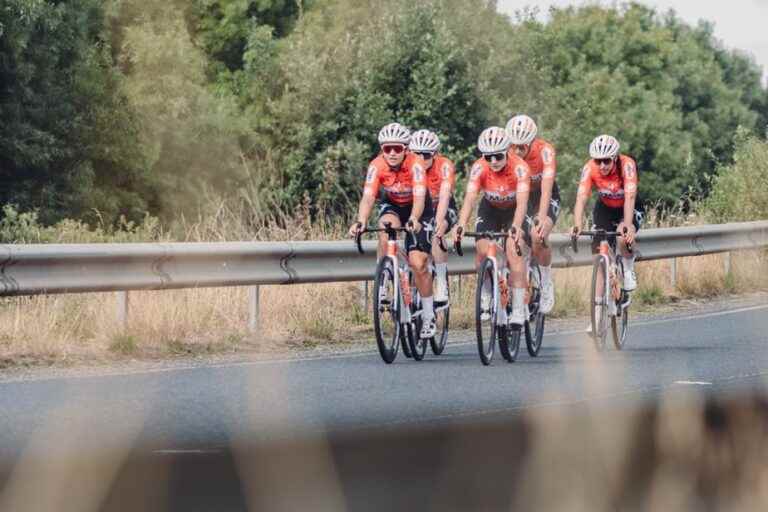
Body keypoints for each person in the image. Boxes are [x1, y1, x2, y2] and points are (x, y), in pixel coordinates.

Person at [348, 123, 438, 338]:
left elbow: (418, 197)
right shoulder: (376, 165)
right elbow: (369, 197)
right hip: (393, 204)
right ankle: (385, 276)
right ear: (382, 149)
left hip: (418, 207)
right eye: (388, 149)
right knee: (385, 228)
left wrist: (415, 218)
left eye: (397, 148)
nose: (393, 153)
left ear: (406, 149)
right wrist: (360, 220)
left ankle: (428, 315)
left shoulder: (415, 165)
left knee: (418, 263)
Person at [451, 127, 531, 326]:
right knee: (482, 251)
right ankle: (487, 293)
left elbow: (522, 204)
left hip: (515, 210)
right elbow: (470, 199)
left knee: (514, 250)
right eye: (488, 157)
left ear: (507, 152)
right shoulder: (479, 168)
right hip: (490, 209)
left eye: (498, 156)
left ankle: (519, 308)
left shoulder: (520, 168)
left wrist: (515, 227)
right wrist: (461, 224)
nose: (493, 161)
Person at [571, 134, 644, 292]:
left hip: (629, 206)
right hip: (605, 207)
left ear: (615, 158)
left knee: (622, 236)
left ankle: (628, 269)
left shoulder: (627, 165)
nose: (602, 165)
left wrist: (627, 224)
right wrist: (577, 224)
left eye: (606, 161)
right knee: (599, 246)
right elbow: (581, 198)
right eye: (598, 161)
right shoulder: (589, 168)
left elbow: (630, 197)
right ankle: (599, 302)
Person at [505, 114, 560, 314]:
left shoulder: (545, 152)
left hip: (544, 195)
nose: (517, 151)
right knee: (516, 240)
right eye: (514, 146)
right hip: (522, 197)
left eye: (522, 147)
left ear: (532, 142)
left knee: (538, 235)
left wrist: (541, 217)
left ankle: (546, 281)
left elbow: (546, 190)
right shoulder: (505, 153)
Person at [408, 129, 456, 303]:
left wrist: (438, 221)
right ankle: (412, 289)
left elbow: (444, 197)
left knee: (438, 230)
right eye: (416, 154)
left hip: (442, 206)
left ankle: (442, 281)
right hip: (421, 210)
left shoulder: (444, 166)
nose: (421, 159)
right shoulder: (408, 166)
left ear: (435, 154)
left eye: (426, 155)